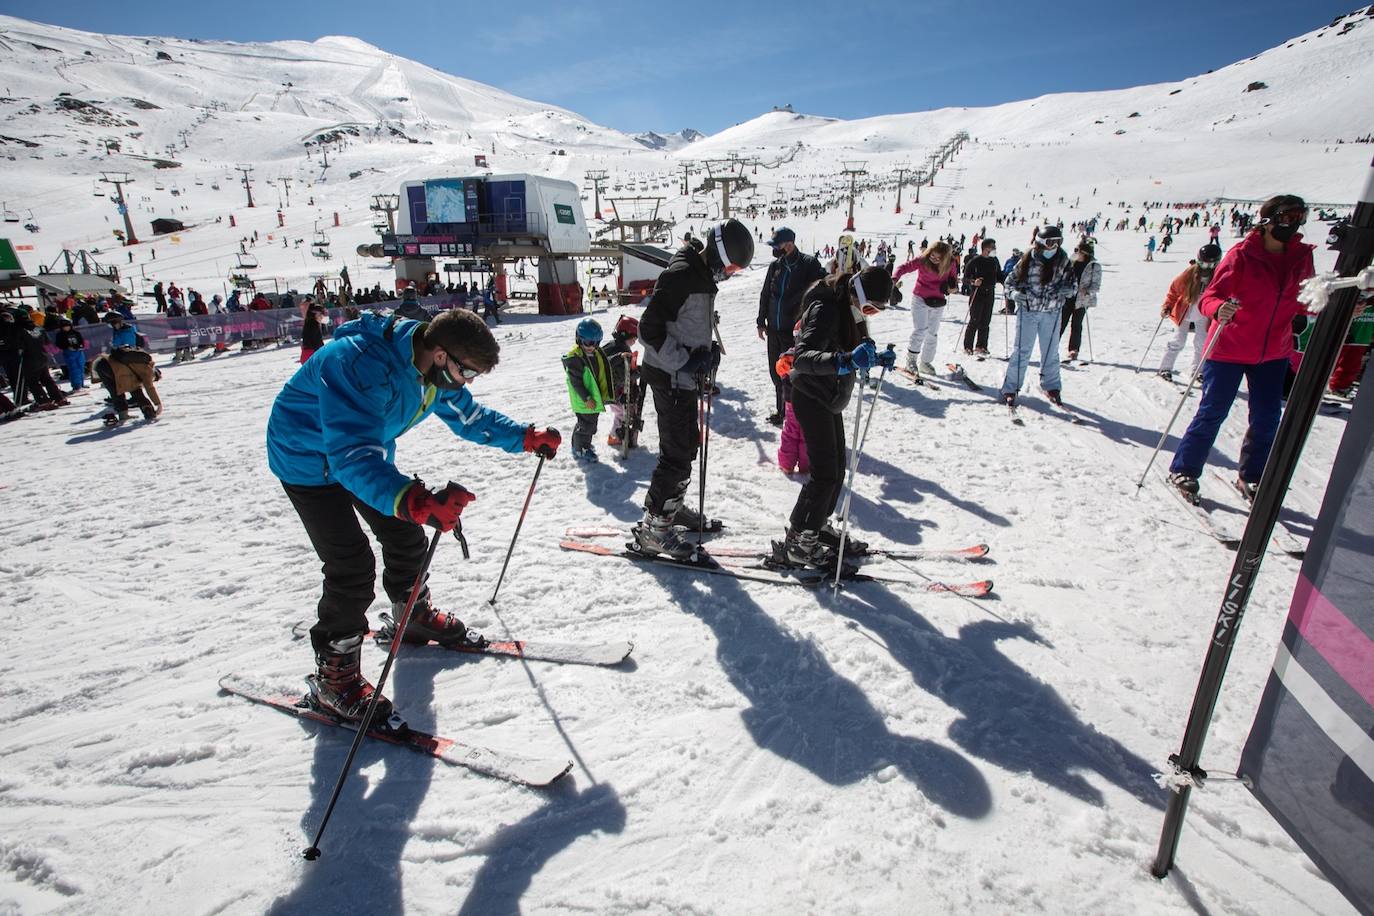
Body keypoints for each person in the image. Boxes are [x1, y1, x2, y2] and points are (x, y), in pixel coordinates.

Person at [265, 308, 562, 722]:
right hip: (307, 460)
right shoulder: (359, 363)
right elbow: (350, 455)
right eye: (467, 372)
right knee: (351, 565)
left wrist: (525, 437)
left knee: (406, 537)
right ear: (441, 354)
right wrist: (415, 501)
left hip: (362, 455)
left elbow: (469, 417)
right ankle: (334, 678)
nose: (467, 382)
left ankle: (413, 614)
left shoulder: (433, 371)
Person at [1167, 194, 1316, 502]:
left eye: (1300, 218)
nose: (1294, 225)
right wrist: (1218, 308)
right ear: (1268, 220)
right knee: (1213, 411)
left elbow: (1307, 299)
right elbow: (1210, 297)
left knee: (1266, 417)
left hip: (1273, 351)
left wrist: (1336, 306)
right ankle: (1185, 468)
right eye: (1288, 218)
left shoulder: (1300, 256)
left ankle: (1252, 475)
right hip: (1229, 348)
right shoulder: (1242, 255)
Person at [632, 218, 754, 559]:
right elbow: (648, 330)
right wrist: (686, 360)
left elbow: (686, 321)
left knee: (687, 447)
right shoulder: (682, 276)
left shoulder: (699, 274)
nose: (729, 274)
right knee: (676, 453)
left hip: (681, 377)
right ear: (718, 255)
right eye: (730, 267)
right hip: (668, 375)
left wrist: (705, 350)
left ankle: (671, 510)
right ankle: (655, 529)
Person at [780, 267, 895, 567]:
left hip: (829, 397)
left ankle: (816, 526)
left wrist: (874, 358)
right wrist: (843, 361)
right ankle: (800, 540)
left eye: (876, 311)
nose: (869, 314)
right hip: (810, 395)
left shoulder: (848, 307)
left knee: (837, 470)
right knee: (825, 474)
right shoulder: (826, 308)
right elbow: (803, 358)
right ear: (858, 293)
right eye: (870, 307)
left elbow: (849, 347)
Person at [1000, 226, 1078, 407]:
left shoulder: (1063, 261)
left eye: (1058, 242)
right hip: (1029, 311)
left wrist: (1068, 290)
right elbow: (1009, 283)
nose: (1055, 246)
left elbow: (1073, 285)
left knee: (1051, 351)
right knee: (1022, 351)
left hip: (1052, 312)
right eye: (1051, 242)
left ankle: (1051, 386)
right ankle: (1010, 387)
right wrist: (1014, 294)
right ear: (1041, 243)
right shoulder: (1027, 260)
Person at [757, 227, 826, 426]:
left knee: (792, 374)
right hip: (773, 329)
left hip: (793, 332)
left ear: (788, 244)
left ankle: (795, 415)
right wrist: (761, 321)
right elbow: (765, 294)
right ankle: (781, 412)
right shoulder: (775, 266)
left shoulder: (808, 264)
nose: (774, 249)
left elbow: (820, 289)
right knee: (776, 372)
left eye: (776, 245)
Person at [1157, 244, 1222, 381]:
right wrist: (1167, 306)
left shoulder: (1217, 276)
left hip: (1204, 314)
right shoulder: (1189, 273)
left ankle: (1198, 371)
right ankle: (1165, 367)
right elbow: (1173, 291)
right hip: (1185, 312)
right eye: (1203, 264)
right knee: (1178, 340)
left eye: (1210, 265)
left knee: (1202, 342)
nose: (1206, 268)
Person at [892, 241, 958, 374]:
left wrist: (951, 288)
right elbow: (904, 267)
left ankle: (925, 363)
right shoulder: (923, 260)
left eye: (938, 257)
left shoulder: (950, 263)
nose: (934, 259)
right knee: (920, 330)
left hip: (938, 301)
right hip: (920, 298)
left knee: (932, 333)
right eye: (932, 255)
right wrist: (894, 278)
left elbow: (954, 281)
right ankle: (911, 361)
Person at [563, 318, 614, 462]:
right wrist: (586, 398)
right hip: (585, 400)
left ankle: (577, 445)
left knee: (584, 423)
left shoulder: (594, 354)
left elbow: (606, 364)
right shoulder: (576, 359)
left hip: (592, 398)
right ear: (578, 339)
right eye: (589, 343)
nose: (593, 346)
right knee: (588, 426)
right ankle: (581, 449)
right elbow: (576, 382)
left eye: (597, 343)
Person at [92, 346, 162, 423]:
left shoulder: (141, 363)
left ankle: (123, 415)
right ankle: (148, 411)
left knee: (116, 391)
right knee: (136, 390)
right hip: (112, 368)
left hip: (101, 363)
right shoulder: (149, 371)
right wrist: (158, 404)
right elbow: (150, 388)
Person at [601, 315, 640, 449]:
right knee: (622, 413)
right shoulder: (620, 350)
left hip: (611, 388)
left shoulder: (613, 345)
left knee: (623, 412)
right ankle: (614, 436)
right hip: (614, 391)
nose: (634, 341)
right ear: (625, 335)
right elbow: (622, 374)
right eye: (633, 338)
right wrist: (636, 373)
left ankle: (618, 434)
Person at [15, 313, 69, 410]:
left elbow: (19, 345)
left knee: (33, 381)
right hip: (42, 356)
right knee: (47, 379)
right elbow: (47, 342)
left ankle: (43, 401)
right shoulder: (38, 328)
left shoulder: (19, 330)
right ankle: (58, 398)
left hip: (29, 358)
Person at [1059, 240, 1102, 361]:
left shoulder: (1094, 266)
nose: (1075, 252)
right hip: (1068, 297)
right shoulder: (1071, 263)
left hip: (1082, 300)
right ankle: (1052, 346)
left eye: (1077, 250)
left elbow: (1096, 285)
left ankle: (1074, 349)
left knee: (1076, 324)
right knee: (1061, 323)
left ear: (1084, 253)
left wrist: (1087, 290)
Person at [773, 332, 808, 475]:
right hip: (807, 402)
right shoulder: (811, 357)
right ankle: (806, 465)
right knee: (806, 433)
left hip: (790, 402)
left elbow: (779, 369)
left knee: (790, 431)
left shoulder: (787, 356)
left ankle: (786, 464)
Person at [961, 238, 1003, 357]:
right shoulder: (975, 261)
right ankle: (968, 346)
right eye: (992, 247)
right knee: (974, 320)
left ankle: (981, 346)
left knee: (986, 321)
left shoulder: (994, 261)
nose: (994, 249)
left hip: (990, 292)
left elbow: (999, 275)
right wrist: (973, 282)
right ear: (985, 248)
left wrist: (1005, 282)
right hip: (977, 292)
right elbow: (965, 278)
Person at [53, 317, 86, 392]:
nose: (66, 328)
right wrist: (67, 347)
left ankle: (81, 383)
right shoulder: (60, 335)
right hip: (69, 352)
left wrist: (80, 346)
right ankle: (76, 385)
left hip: (79, 351)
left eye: (68, 326)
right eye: (64, 327)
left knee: (81, 367)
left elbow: (81, 341)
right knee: (74, 369)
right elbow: (59, 344)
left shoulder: (76, 333)